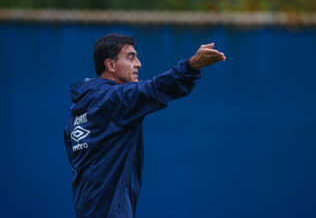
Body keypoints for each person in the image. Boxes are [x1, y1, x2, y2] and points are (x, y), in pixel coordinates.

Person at [64, 33, 226, 218]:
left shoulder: (80, 112)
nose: (139, 63)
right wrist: (191, 66)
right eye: (131, 57)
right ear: (111, 65)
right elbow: (153, 90)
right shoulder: (112, 100)